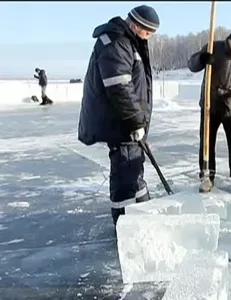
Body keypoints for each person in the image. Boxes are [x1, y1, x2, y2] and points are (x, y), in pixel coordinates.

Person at [77, 5, 160, 226]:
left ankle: (143, 213)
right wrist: (136, 121)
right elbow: (120, 88)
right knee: (125, 174)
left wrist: (139, 121)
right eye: (147, 33)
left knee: (134, 168)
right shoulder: (116, 42)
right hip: (121, 123)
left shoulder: (128, 42)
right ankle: (125, 225)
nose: (148, 38)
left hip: (128, 122)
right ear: (136, 25)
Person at [187, 27, 231, 193]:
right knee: (206, 144)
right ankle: (207, 177)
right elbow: (191, 64)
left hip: (230, 109)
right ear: (229, 40)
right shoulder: (213, 47)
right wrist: (201, 59)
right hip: (209, 106)